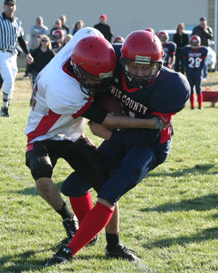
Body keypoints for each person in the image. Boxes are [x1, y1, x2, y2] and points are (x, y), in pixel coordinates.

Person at [46, 30, 190, 267]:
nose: (141, 73)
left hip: (151, 145)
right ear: (122, 61)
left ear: (160, 65)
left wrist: (109, 130)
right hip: (122, 136)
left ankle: (70, 251)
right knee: (73, 186)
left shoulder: (172, 86)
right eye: (134, 67)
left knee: (109, 192)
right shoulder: (108, 62)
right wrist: (106, 125)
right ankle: (96, 237)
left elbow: (149, 132)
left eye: (148, 68)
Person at [0, 0, 33, 117]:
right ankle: (4, 107)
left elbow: (20, 39)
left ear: (15, 7)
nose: (10, 7)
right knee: (8, 80)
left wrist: (28, 53)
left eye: (12, 5)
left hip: (13, 54)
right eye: (8, 5)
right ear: (4, 7)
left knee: (11, 82)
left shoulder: (17, 21)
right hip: (1, 52)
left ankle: (6, 107)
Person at [182, 35, 208, 110]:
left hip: (198, 71)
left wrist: (199, 70)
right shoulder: (186, 49)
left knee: (198, 88)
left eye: (195, 43)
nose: (194, 45)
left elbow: (203, 63)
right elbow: (185, 63)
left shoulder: (203, 50)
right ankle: (192, 105)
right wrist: (188, 70)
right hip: (190, 71)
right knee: (190, 88)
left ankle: (200, 105)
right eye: (193, 43)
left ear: (199, 43)